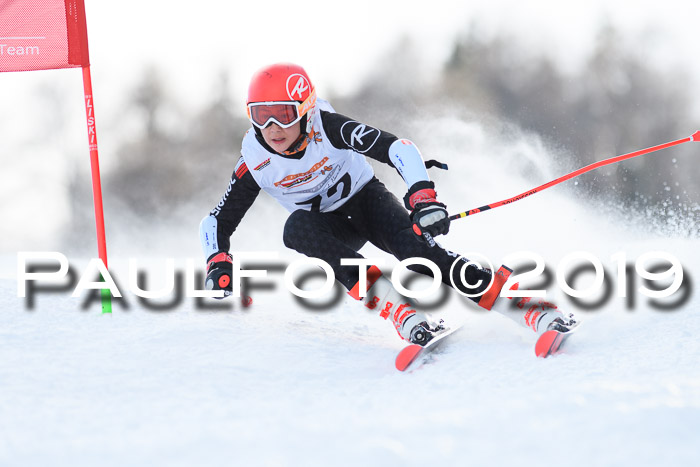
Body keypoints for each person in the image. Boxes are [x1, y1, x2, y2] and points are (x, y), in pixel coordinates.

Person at [199, 63, 577, 345]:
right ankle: (395, 305)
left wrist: (422, 195)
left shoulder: (328, 127)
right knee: (295, 229)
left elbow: (397, 148)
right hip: (332, 229)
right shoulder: (256, 162)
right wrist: (218, 263)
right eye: (259, 115)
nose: (273, 128)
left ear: (304, 107)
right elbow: (218, 221)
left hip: (367, 202)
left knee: (423, 258)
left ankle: (526, 305)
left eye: (282, 113)